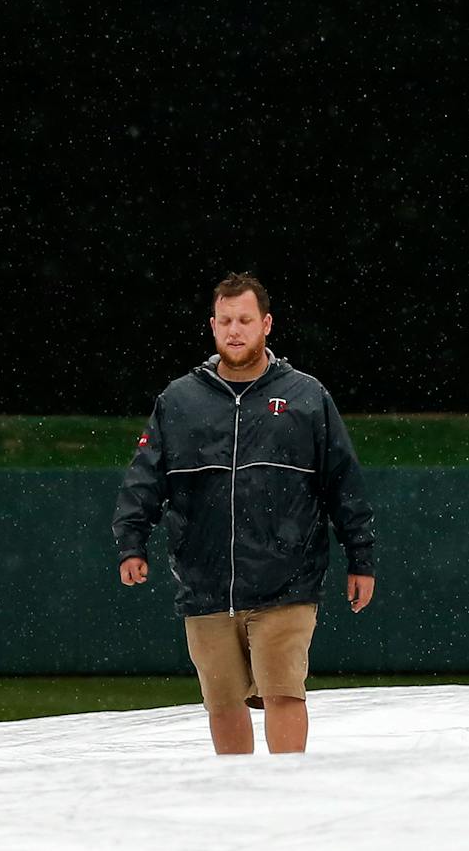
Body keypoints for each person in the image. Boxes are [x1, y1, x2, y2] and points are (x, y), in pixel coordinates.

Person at [112, 271, 377, 754]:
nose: (235, 330)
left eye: (245, 320)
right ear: (213, 327)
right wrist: (132, 542)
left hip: (286, 580)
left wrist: (361, 557)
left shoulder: (305, 396)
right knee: (223, 701)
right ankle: (239, 802)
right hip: (205, 582)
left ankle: (285, 795)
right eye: (226, 321)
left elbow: (343, 482)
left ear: (267, 324)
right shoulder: (180, 400)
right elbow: (145, 477)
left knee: (283, 692)